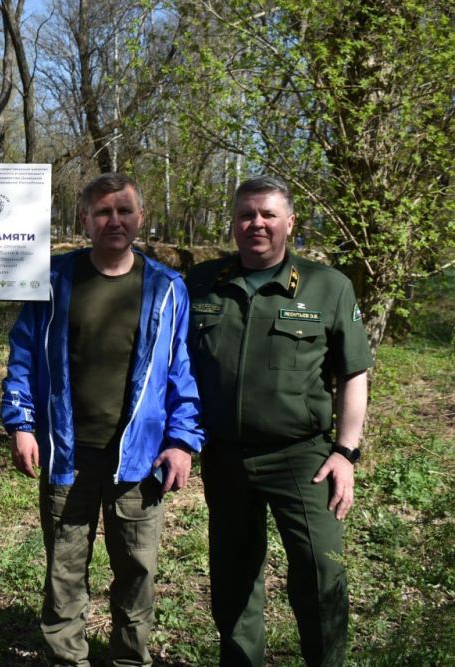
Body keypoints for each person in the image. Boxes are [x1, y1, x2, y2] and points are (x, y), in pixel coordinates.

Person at [1, 172, 205, 666]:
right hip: (66, 453)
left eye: (124, 211)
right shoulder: (52, 280)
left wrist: (181, 440)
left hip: (138, 458)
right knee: (64, 567)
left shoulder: (166, 287)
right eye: (102, 212)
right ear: (85, 221)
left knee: (137, 570)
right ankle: (65, 658)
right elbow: (23, 357)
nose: (114, 221)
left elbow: (181, 371)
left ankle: (129, 659)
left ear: (141, 218)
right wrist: (22, 425)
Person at [186, 175, 372, 666]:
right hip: (225, 457)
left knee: (319, 572)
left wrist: (346, 452)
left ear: (290, 222)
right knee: (233, 578)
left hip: (304, 459)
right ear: (233, 224)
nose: (257, 224)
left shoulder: (327, 286)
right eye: (246, 215)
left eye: (268, 214)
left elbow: (354, 373)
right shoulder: (201, 284)